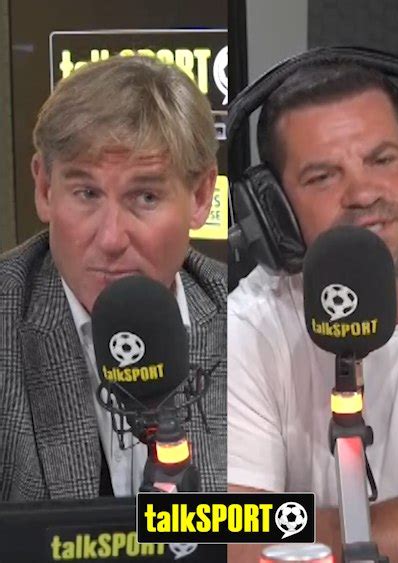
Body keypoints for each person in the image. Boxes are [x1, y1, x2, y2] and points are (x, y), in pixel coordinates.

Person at [228, 61, 398, 562]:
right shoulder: (246, 329)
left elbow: (260, 536)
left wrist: (314, 535)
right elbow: (231, 540)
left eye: (382, 159)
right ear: (274, 214)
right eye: (323, 176)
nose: (364, 193)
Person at [0, 55, 226, 500]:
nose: (110, 238)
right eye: (86, 193)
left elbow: (280, 522)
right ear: (44, 189)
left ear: (201, 197)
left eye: (145, 197)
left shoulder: (244, 316)